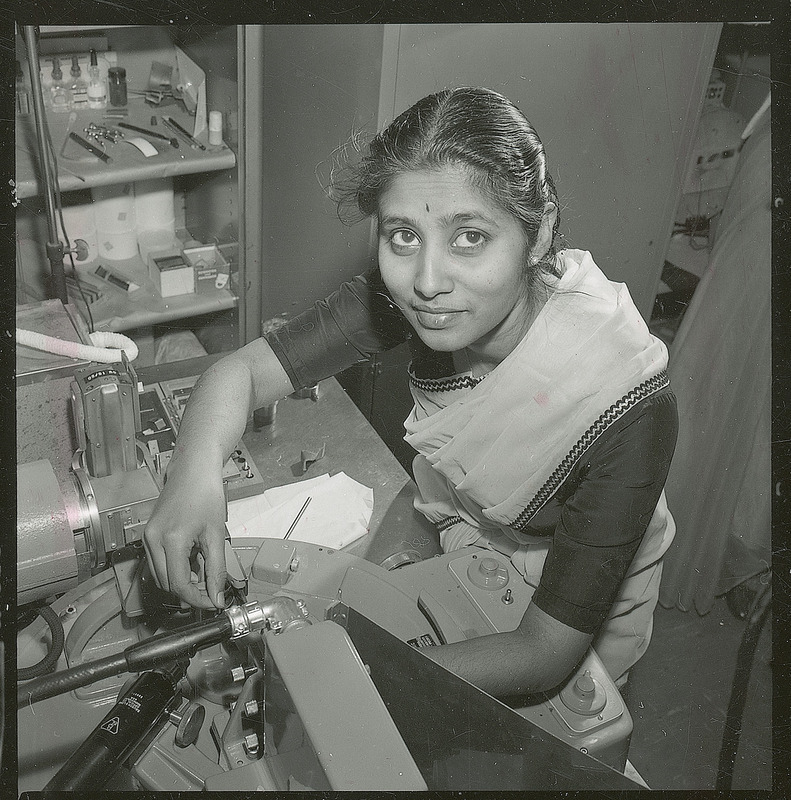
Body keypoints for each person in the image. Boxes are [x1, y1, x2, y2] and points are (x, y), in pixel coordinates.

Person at [144, 87, 678, 698]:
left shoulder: (629, 405)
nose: (425, 282)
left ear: (539, 233)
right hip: (466, 538)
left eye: (470, 237)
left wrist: (332, 680)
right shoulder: (421, 300)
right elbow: (236, 373)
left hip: (573, 618)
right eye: (403, 235)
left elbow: (542, 655)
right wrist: (192, 478)